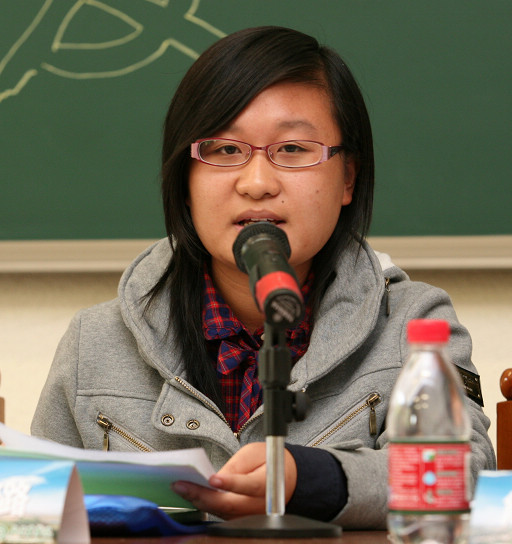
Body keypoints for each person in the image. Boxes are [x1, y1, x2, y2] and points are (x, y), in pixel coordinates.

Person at [31, 26, 495, 529]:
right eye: (225, 150)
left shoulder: (414, 326)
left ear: (347, 178)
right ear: (184, 180)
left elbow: (460, 477)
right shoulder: (94, 343)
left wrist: (313, 480)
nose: (256, 183)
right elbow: (34, 508)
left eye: (292, 148)